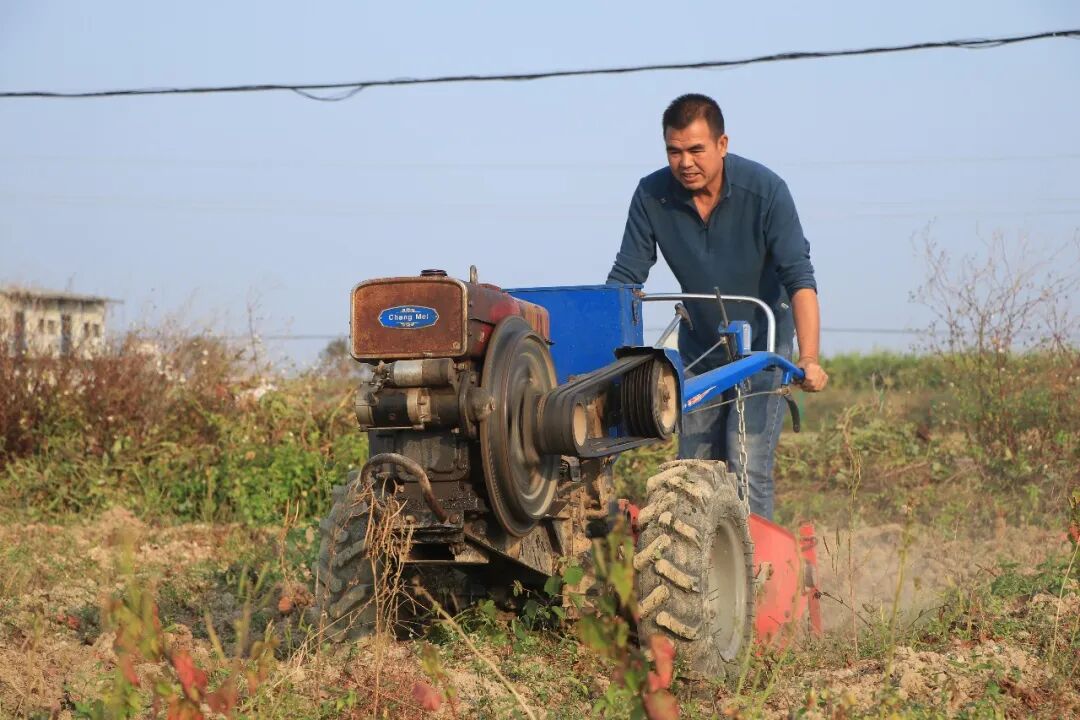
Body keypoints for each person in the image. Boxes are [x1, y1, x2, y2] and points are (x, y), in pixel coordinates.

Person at [606, 93, 828, 520]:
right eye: (674, 151)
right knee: (694, 470)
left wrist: (810, 358)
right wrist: (602, 350)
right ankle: (695, 559)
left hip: (762, 349)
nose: (685, 162)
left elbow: (799, 279)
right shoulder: (652, 195)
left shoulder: (765, 191)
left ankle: (756, 559)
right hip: (700, 349)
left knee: (747, 466)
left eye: (696, 149)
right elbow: (627, 277)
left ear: (722, 144)